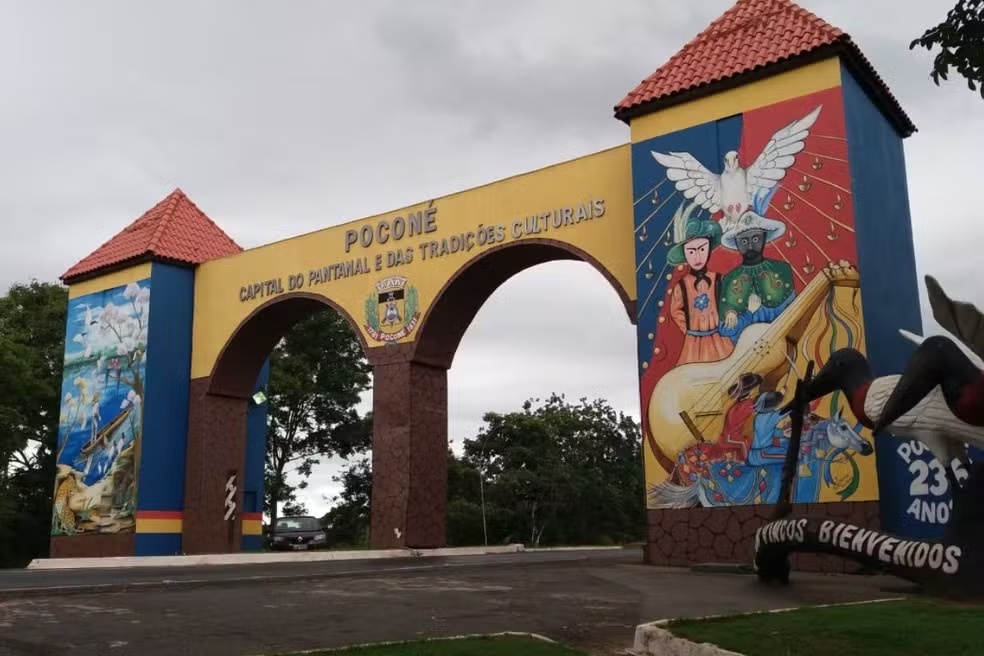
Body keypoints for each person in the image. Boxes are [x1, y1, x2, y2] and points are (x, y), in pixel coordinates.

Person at [666, 202, 734, 366]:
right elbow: (675, 310)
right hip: (694, 345)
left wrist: (729, 314)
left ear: (709, 250)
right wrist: (690, 330)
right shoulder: (682, 286)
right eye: (691, 251)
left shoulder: (719, 279)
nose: (697, 257)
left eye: (702, 250)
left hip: (719, 340)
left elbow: (727, 302)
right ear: (685, 254)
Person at [718, 210, 797, 343]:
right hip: (747, 349)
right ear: (736, 243)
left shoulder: (782, 270)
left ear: (764, 238)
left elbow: (793, 314)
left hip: (780, 341)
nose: (750, 246)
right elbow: (726, 330)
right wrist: (747, 313)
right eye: (743, 241)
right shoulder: (730, 279)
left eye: (755, 239)